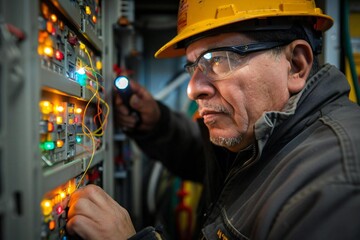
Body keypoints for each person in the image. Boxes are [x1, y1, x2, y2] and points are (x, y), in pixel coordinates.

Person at [66, 0, 360, 239]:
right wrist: (156, 123)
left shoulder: (335, 186)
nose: (193, 89)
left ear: (296, 65)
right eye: (193, 65)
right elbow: (206, 158)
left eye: (218, 59)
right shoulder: (259, 136)